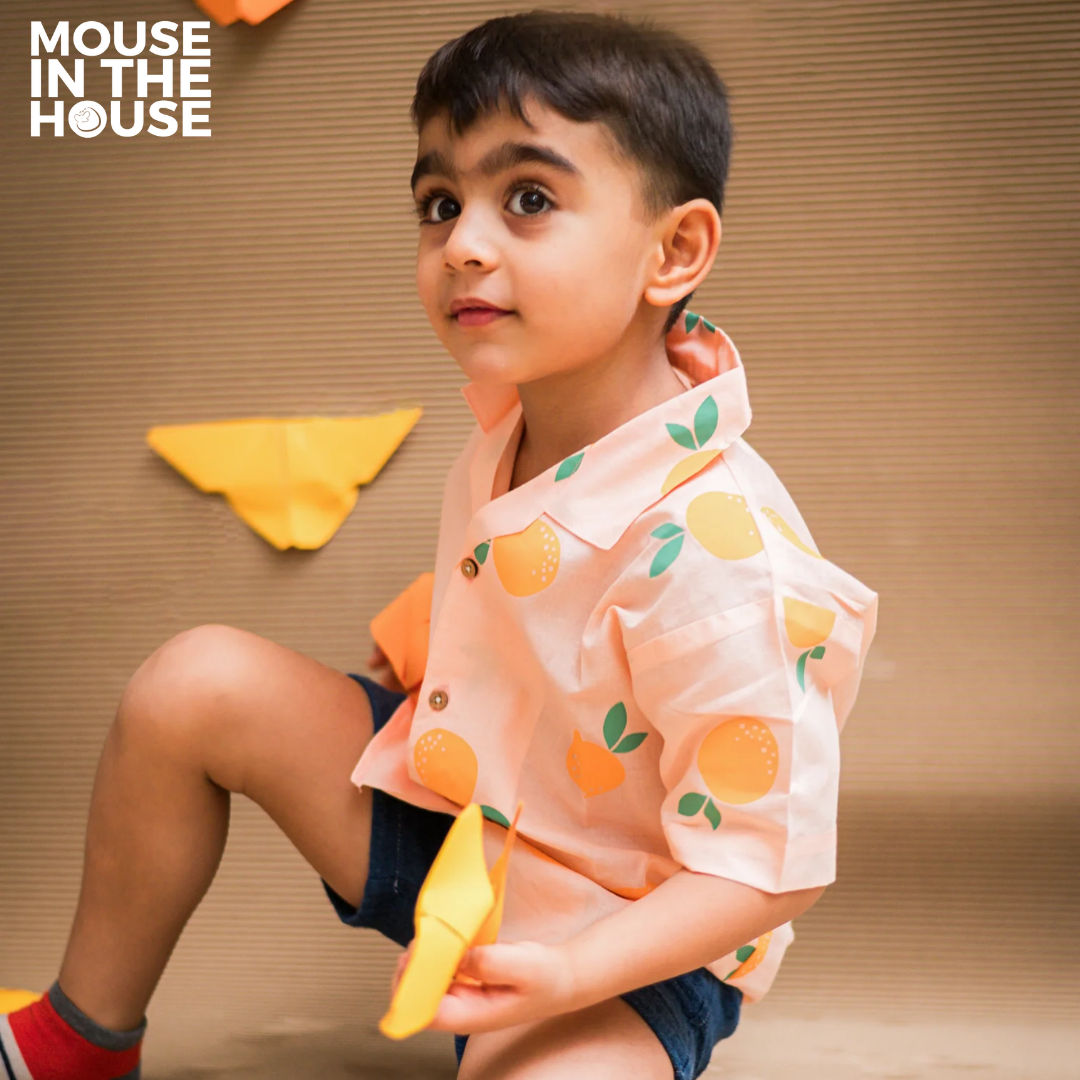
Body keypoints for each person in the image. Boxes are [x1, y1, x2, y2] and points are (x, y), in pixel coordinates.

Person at [0, 11, 878, 1080]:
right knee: (193, 684)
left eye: (530, 199)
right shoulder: (529, 411)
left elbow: (769, 866)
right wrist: (433, 642)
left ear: (674, 251)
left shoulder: (724, 560)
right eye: (440, 203)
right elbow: (549, 577)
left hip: (625, 935)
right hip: (459, 817)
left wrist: (568, 973)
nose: (463, 241)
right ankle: (78, 1041)